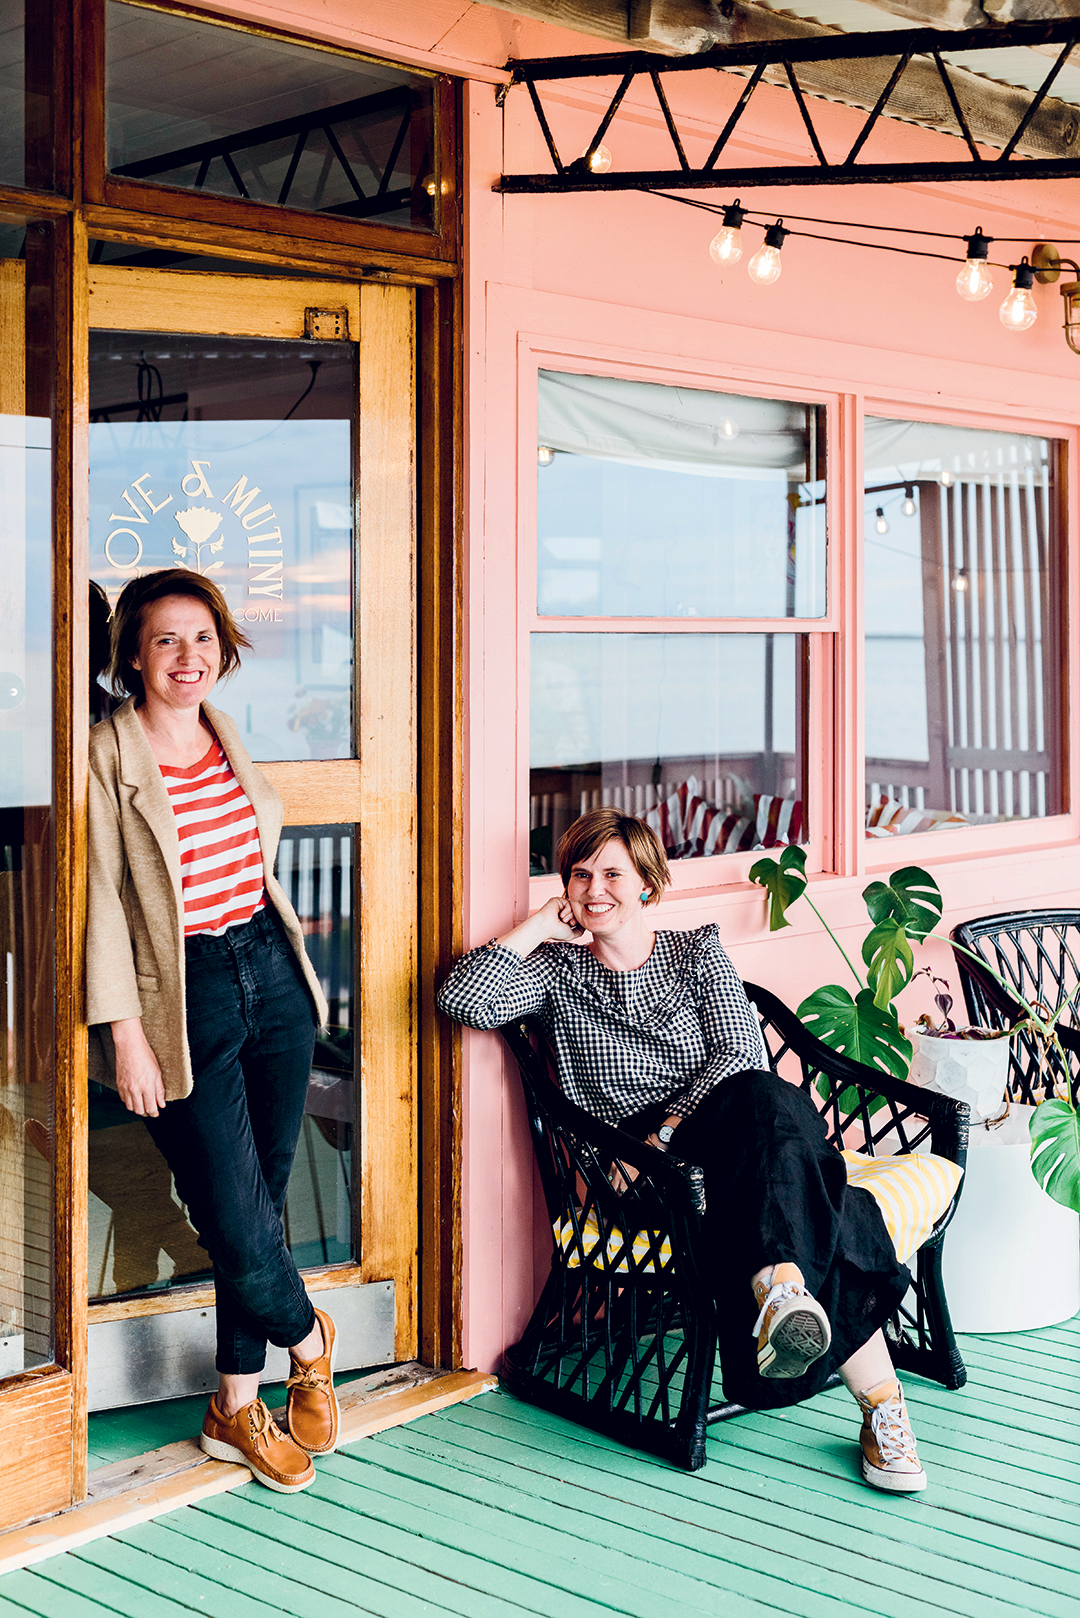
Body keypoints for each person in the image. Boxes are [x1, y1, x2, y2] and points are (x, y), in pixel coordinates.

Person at [438, 807, 927, 1493]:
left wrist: (665, 1129)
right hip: (643, 1182)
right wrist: (540, 926)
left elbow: (738, 1054)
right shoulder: (552, 974)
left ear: (648, 884)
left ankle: (787, 1295)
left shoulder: (695, 951)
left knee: (761, 1097)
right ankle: (874, 1397)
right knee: (826, 1196)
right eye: (580, 875)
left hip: (719, 1137)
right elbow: (463, 999)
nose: (594, 888)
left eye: (613, 873)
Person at [86, 568, 338, 1494]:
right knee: (231, 1210)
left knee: (262, 1200)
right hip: (179, 994)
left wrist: (273, 918)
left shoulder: (223, 733)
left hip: (267, 970)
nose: (187, 658)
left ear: (222, 649)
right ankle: (310, 1337)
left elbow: (245, 847)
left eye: (202, 639)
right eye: (165, 641)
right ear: (134, 657)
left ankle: (234, 1404)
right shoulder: (107, 757)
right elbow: (102, 910)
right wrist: (127, 1034)